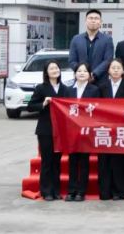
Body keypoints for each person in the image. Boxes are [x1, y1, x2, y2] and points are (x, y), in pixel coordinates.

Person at [28, 59, 73, 201]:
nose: (55, 70)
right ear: (46, 72)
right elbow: (30, 106)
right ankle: (46, 191)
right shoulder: (41, 88)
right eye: (52, 68)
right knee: (47, 161)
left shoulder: (65, 89)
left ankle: (55, 190)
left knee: (57, 161)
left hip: (60, 131)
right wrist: (43, 103)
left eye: (57, 68)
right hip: (46, 130)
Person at [97, 58, 124, 200]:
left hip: (121, 129)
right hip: (104, 128)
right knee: (104, 161)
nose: (116, 70)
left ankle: (120, 191)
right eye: (113, 68)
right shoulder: (101, 86)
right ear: (108, 70)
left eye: (118, 68)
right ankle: (105, 191)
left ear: (123, 70)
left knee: (119, 161)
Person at [66, 62, 99, 202]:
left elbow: (97, 109)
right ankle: (71, 190)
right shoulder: (68, 90)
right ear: (75, 74)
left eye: (85, 71)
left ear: (89, 74)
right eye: (79, 71)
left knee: (84, 162)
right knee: (72, 161)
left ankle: (81, 191)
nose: (82, 73)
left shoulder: (95, 90)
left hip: (87, 131)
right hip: (72, 131)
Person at [68, 9, 114, 84]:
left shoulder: (107, 39)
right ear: (85, 21)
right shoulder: (76, 39)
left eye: (96, 18)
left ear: (100, 22)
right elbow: (72, 60)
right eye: (90, 18)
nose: (93, 21)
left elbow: (108, 60)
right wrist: (83, 73)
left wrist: (94, 74)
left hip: (100, 81)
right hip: (80, 81)